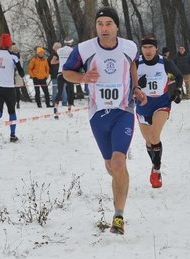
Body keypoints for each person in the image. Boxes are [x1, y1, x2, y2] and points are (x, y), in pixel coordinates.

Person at [62, 6, 147, 235]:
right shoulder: (84, 49)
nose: (104, 28)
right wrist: (82, 77)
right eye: (100, 24)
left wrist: (136, 87)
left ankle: (118, 217)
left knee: (119, 163)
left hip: (123, 111)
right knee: (111, 166)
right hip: (97, 115)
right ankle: (122, 181)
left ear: (117, 26)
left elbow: (132, 65)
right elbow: (66, 72)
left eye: (109, 23)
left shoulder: (129, 47)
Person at [136, 33, 183, 188]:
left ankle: (156, 170)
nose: (148, 50)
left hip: (161, 104)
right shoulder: (136, 64)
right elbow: (126, 83)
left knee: (154, 135)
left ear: (156, 48)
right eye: (144, 47)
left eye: (151, 47)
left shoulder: (165, 63)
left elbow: (179, 76)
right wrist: (136, 84)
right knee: (149, 141)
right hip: (143, 106)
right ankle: (155, 163)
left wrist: (177, 91)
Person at [0, 33, 25, 142]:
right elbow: (21, 73)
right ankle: (12, 135)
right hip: (8, 87)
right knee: (11, 111)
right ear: (9, 45)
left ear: (0, 44)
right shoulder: (13, 56)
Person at [54, 37, 76, 119]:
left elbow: (52, 61)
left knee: (59, 92)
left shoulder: (59, 50)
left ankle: (55, 108)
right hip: (69, 73)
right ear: (71, 43)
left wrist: (61, 60)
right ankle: (69, 110)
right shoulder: (72, 50)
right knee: (70, 91)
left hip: (60, 73)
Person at [48, 42, 67, 106]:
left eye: (60, 47)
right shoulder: (52, 56)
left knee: (63, 90)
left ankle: (64, 102)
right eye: (58, 47)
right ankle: (54, 103)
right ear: (54, 48)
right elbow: (49, 65)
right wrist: (51, 72)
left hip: (62, 74)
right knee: (55, 90)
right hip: (54, 75)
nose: (59, 48)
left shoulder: (62, 55)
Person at [11, 44, 24, 109]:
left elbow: (20, 66)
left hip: (18, 75)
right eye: (14, 51)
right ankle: (13, 102)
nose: (15, 52)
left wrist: (17, 72)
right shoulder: (10, 57)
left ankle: (18, 102)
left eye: (16, 51)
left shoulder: (20, 58)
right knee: (12, 90)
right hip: (11, 75)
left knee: (17, 90)